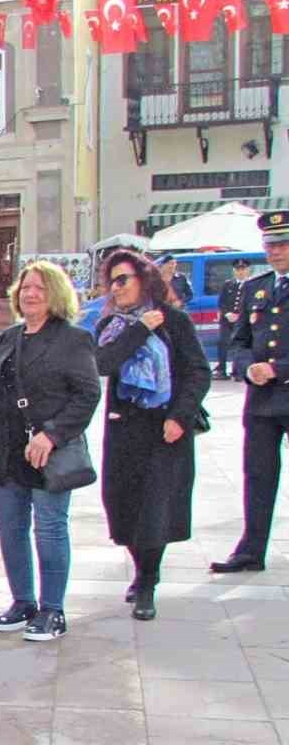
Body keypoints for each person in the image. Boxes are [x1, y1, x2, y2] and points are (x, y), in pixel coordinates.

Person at [0, 261, 101, 641]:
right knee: (10, 528)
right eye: (25, 287)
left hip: (48, 454)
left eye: (40, 289)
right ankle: (23, 601)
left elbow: (87, 394)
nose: (30, 294)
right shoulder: (7, 338)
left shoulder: (73, 339)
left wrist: (52, 435)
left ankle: (52, 609)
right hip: (7, 451)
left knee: (49, 528)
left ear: (56, 295)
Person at [93, 248, 211, 619]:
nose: (116, 288)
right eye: (111, 282)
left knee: (155, 508)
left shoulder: (174, 321)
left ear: (143, 280)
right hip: (124, 427)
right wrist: (140, 328)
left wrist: (180, 416)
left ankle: (147, 581)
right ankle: (141, 567)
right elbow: (102, 363)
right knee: (122, 505)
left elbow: (198, 372)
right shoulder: (111, 325)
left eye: (122, 279)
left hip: (165, 428)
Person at [212, 211, 289, 574]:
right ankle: (251, 550)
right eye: (270, 245)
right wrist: (246, 367)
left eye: (283, 244)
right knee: (258, 476)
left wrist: (278, 369)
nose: (275, 251)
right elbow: (239, 340)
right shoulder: (258, 288)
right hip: (262, 402)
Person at [215, 257, 257, 380]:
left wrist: (239, 315)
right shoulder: (228, 284)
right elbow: (221, 302)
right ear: (234, 271)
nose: (240, 272)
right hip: (227, 320)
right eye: (238, 269)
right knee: (222, 343)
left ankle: (237, 371)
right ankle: (221, 370)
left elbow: (253, 303)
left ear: (248, 270)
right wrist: (227, 313)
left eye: (243, 269)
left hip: (242, 321)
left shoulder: (253, 285)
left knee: (239, 345)